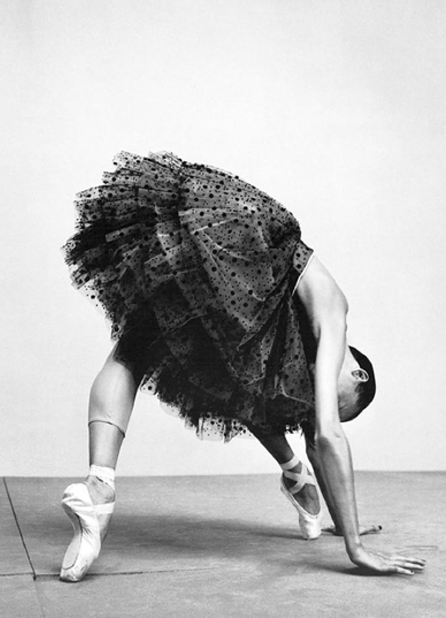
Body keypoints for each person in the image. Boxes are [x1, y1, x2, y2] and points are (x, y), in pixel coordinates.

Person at [60, 151, 425, 582]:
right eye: (343, 404)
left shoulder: (290, 355)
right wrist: (356, 549)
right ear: (358, 375)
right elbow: (328, 433)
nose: (319, 401)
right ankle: (294, 478)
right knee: (236, 378)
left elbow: (315, 440)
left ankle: (99, 488)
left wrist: (346, 523)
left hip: (237, 289)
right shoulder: (334, 315)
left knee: (141, 351)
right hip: (240, 245)